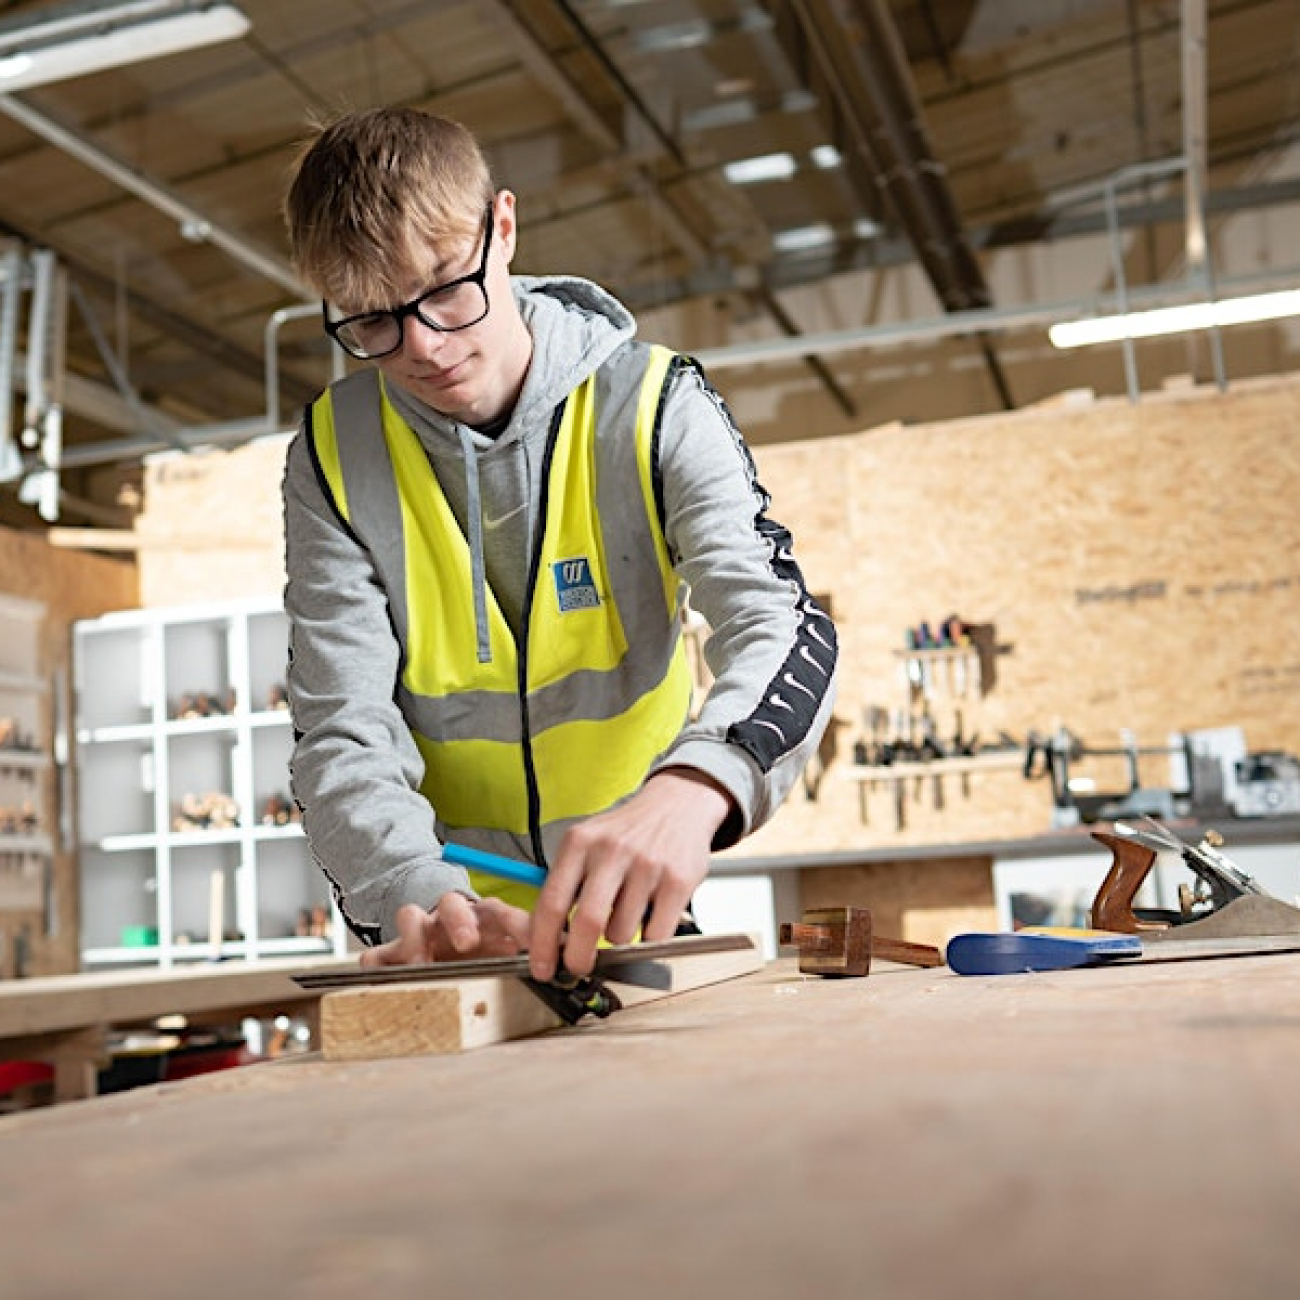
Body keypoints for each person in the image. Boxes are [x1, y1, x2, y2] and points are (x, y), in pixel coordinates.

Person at [280, 106, 838, 983]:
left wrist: (697, 789)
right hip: (451, 932)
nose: (423, 346)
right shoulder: (332, 455)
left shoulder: (653, 405)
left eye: (444, 289)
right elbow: (340, 730)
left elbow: (782, 625)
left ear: (502, 226)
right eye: (371, 320)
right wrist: (423, 903)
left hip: (637, 915)